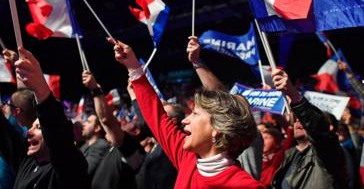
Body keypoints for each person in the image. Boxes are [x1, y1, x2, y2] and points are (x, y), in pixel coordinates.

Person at [110, 38, 264, 189]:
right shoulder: (187, 158)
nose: (184, 120)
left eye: (195, 114)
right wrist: (133, 66)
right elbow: (156, 116)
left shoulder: (246, 185)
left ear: (217, 128)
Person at [186, 35, 264, 180]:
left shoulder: (248, 135)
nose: (185, 120)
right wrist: (196, 61)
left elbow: (218, 97)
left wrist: (197, 61)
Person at [12, 47, 89, 189]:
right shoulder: (28, 162)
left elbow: (57, 134)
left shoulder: (70, 168)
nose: (28, 132)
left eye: (39, 128)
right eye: (31, 127)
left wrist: (40, 86)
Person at [270, 69, 347, 189]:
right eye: (296, 119)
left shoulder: (328, 153)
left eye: (302, 119)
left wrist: (293, 95)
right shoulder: (289, 154)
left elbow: (318, 129)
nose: (298, 122)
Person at [82, 70, 145, 189]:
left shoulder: (132, 148)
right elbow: (105, 122)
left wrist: (96, 91)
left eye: (128, 121)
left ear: (136, 131)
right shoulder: (115, 147)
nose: (122, 120)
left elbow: (107, 121)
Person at [80, 71, 110, 181]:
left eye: (88, 122)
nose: (83, 123)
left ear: (97, 128)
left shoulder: (101, 145)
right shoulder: (84, 146)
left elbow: (85, 172)